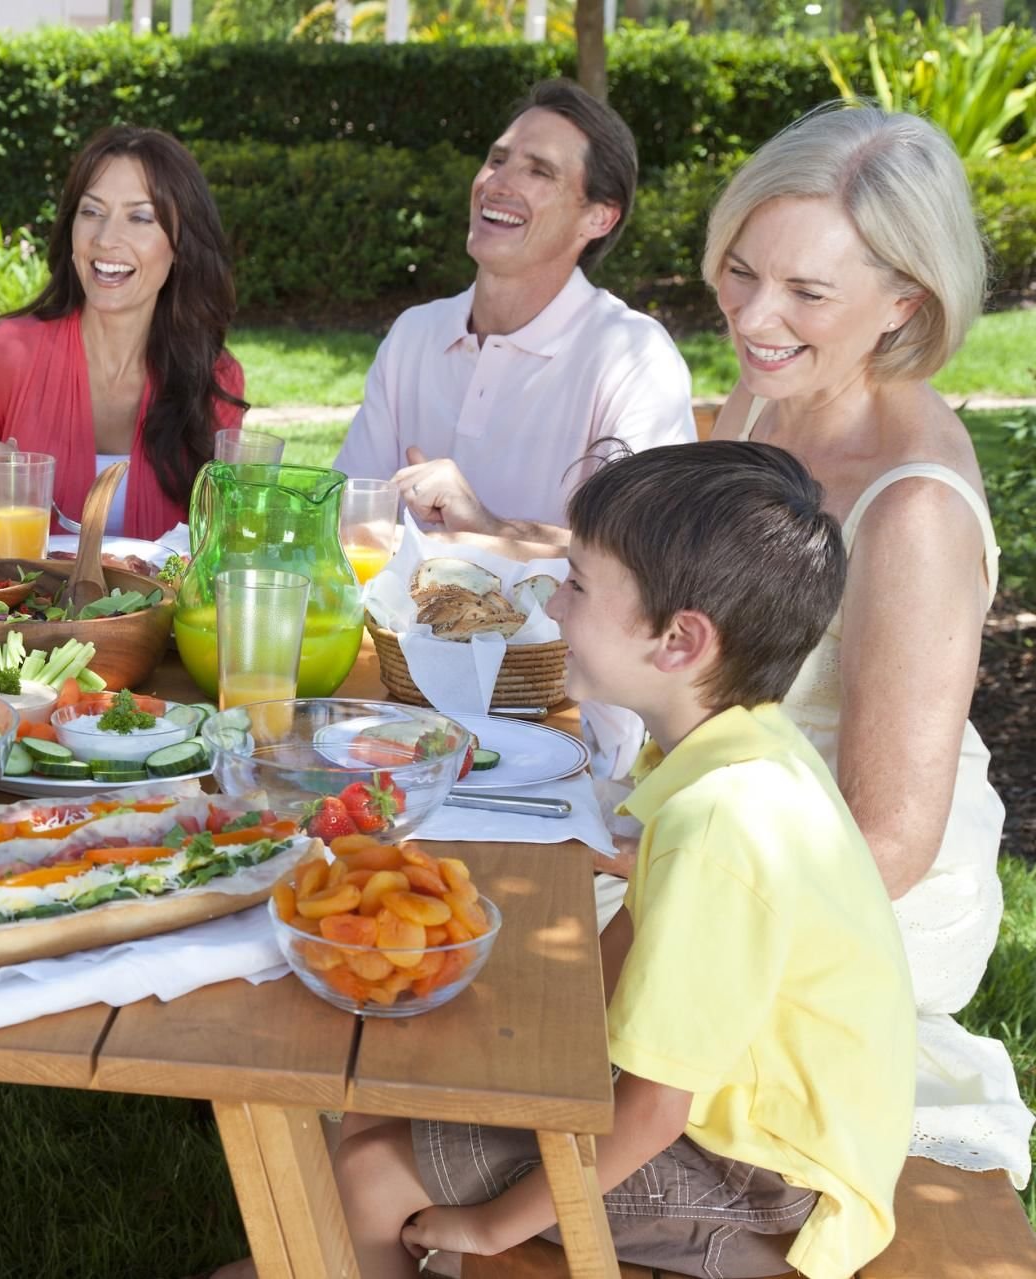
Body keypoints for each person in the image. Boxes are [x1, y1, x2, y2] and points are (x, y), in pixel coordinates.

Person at [332, 442, 914, 1279]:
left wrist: (495, 1224)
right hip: (756, 1138)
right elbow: (633, 943)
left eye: (575, 584)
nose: (552, 606)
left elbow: (651, 1111)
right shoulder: (741, 749)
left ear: (679, 640)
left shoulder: (721, 823)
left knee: (372, 1167)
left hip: (763, 1190)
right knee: (381, 1107)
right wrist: (530, 1049)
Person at [701, 105, 1032, 1185]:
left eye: (806, 292)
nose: (754, 316)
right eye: (742, 269)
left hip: (849, 890)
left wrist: (666, 884)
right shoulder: (775, 384)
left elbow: (886, 841)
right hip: (735, 808)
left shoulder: (913, 510)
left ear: (905, 303)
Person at [333, 80, 694, 540]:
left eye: (539, 172)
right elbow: (345, 515)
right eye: (497, 159)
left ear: (599, 217)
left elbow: (646, 556)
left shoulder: (634, 358)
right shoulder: (414, 334)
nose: (497, 183)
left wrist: (489, 529)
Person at [0, 125, 247, 540]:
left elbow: (224, 544)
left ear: (181, 245)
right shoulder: (2, 355)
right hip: (31, 604)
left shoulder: (214, 377)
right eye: (91, 212)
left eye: (140, 217)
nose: (105, 238)